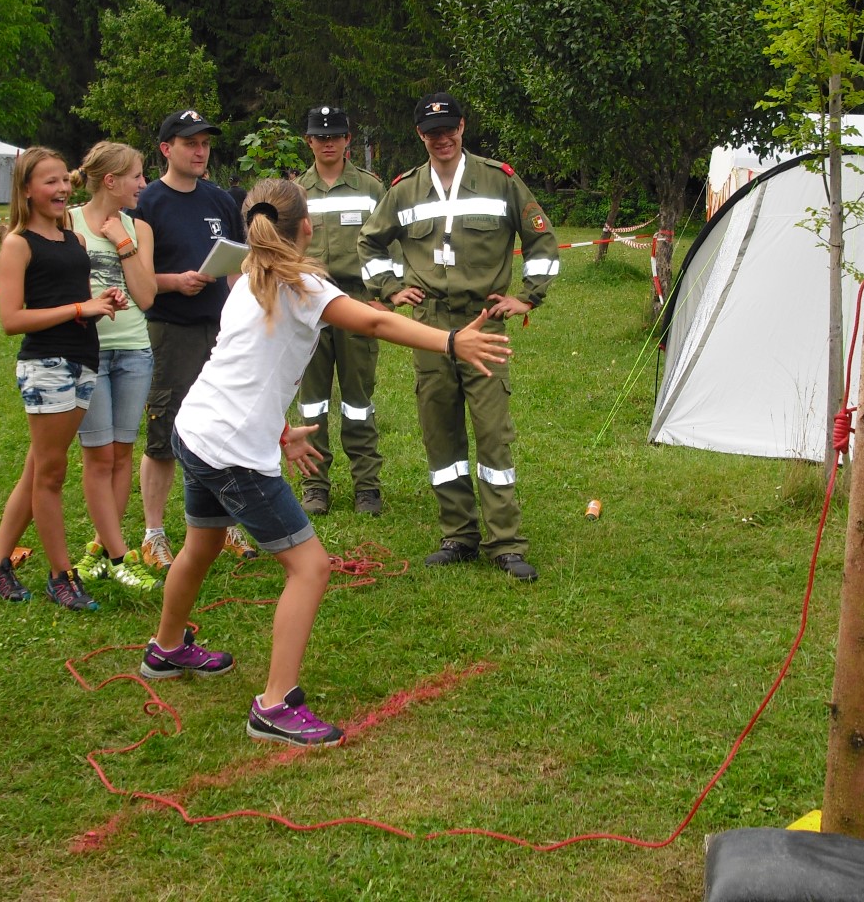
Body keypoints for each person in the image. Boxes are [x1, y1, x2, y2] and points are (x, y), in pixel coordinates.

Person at [140, 177, 511, 747]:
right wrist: (452, 340)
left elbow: (246, 364)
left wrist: (282, 428)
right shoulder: (303, 284)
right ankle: (273, 704)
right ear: (306, 227)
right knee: (310, 568)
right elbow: (378, 322)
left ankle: (166, 649)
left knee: (203, 544)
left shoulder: (248, 279)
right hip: (233, 450)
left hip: (197, 431)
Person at [358, 92, 560, 582]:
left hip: (482, 322)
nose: (441, 138)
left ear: (463, 127)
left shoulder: (499, 180)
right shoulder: (405, 190)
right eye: (431, 132)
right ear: (420, 137)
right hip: (428, 324)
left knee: (492, 433)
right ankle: (458, 534)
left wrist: (529, 297)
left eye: (449, 129)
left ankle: (505, 542)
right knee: (439, 431)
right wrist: (389, 287)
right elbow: (369, 241)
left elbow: (542, 240)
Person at [0, 147, 127, 611]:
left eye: (65, 180)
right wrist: (82, 308)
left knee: (38, 467)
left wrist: (101, 302)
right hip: (46, 365)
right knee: (51, 474)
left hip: (83, 358)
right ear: (26, 190)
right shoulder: (18, 244)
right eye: (49, 182)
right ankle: (61, 575)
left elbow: (71, 300)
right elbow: (12, 319)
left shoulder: (73, 241)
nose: (61, 189)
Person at [131, 109, 245, 571]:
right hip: (170, 329)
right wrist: (174, 282)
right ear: (166, 149)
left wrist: (243, 315)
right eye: (190, 143)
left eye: (205, 144)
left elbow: (237, 268)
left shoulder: (220, 201)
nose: (200, 152)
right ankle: (154, 534)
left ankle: (227, 523)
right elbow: (136, 277)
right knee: (164, 433)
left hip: (219, 330)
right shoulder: (147, 204)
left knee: (224, 428)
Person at [66, 143, 164, 592]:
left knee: (122, 453)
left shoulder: (137, 228)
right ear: (110, 181)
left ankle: (103, 550)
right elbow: (14, 266)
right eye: (137, 177)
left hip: (133, 350)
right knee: (97, 456)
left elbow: (145, 297)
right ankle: (120, 555)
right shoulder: (65, 221)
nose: (143, 184)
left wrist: (123, 244)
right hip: (86, 350)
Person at [292, 105, 388, 516]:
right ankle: (315, 486)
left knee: (358, 400)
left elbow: (389, 243)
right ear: (309, 141)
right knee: (311, 403)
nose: (328, 142)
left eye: (336, 135)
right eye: (320, 136)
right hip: (307, 306)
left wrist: (383, 295)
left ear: (348, 140)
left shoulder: (370, 189)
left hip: (356, 301)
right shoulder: (294, 193)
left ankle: (366, 485)